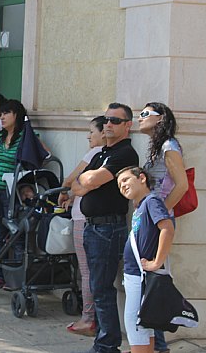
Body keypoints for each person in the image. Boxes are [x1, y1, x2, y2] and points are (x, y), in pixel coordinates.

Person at [70, 102, 139, 353]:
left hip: (108, 229)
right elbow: (78, 185)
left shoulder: (125, 153)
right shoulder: (101, 153)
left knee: (101, 287)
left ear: (128, 126)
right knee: (97, 286)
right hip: (92, 228)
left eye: (115, 121)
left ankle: (107, 345)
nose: (108, 124)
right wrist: (85, 183)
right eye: (107, 120)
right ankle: (105, 340)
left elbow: (91, 180)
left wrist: (86, 182)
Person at [138, 102, 188, 353]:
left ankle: (159, 347)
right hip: (152, 218)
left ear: (161, 119)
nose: (140, 117)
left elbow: (182, 185)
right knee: (149, 283)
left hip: (158, 221)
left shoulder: (169, 146)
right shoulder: (158, 147)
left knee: (155, 281)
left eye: (145, 114)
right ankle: (154, 345)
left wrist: (161, 215)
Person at [116, 167, 175, 353]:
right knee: (142, 328)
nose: (122, 186)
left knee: (135, 325)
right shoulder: (142, 205)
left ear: (141, 178)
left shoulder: (151, 201)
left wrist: (157, 262)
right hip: (136, 276)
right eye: (119, 184)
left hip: (140, 275)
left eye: (126, 180)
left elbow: (167, 228)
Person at [59, 116, 107, 337]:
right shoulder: (104, 156)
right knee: (92, 271)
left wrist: (63, 190)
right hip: (89, 215)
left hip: (83, 218)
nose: (89, 136)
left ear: (103, 133)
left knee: (86, 271)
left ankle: (88, 318)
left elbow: (71, 178)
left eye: (92, 131)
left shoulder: (95, 153)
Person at [0, 99, 27, 289]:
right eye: (1, 113)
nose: (2, 117)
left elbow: (42, 155)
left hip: (13, 191)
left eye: (6, 113)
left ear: (16, 115)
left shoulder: (25, 137)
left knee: (15, 234)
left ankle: (17, 277)